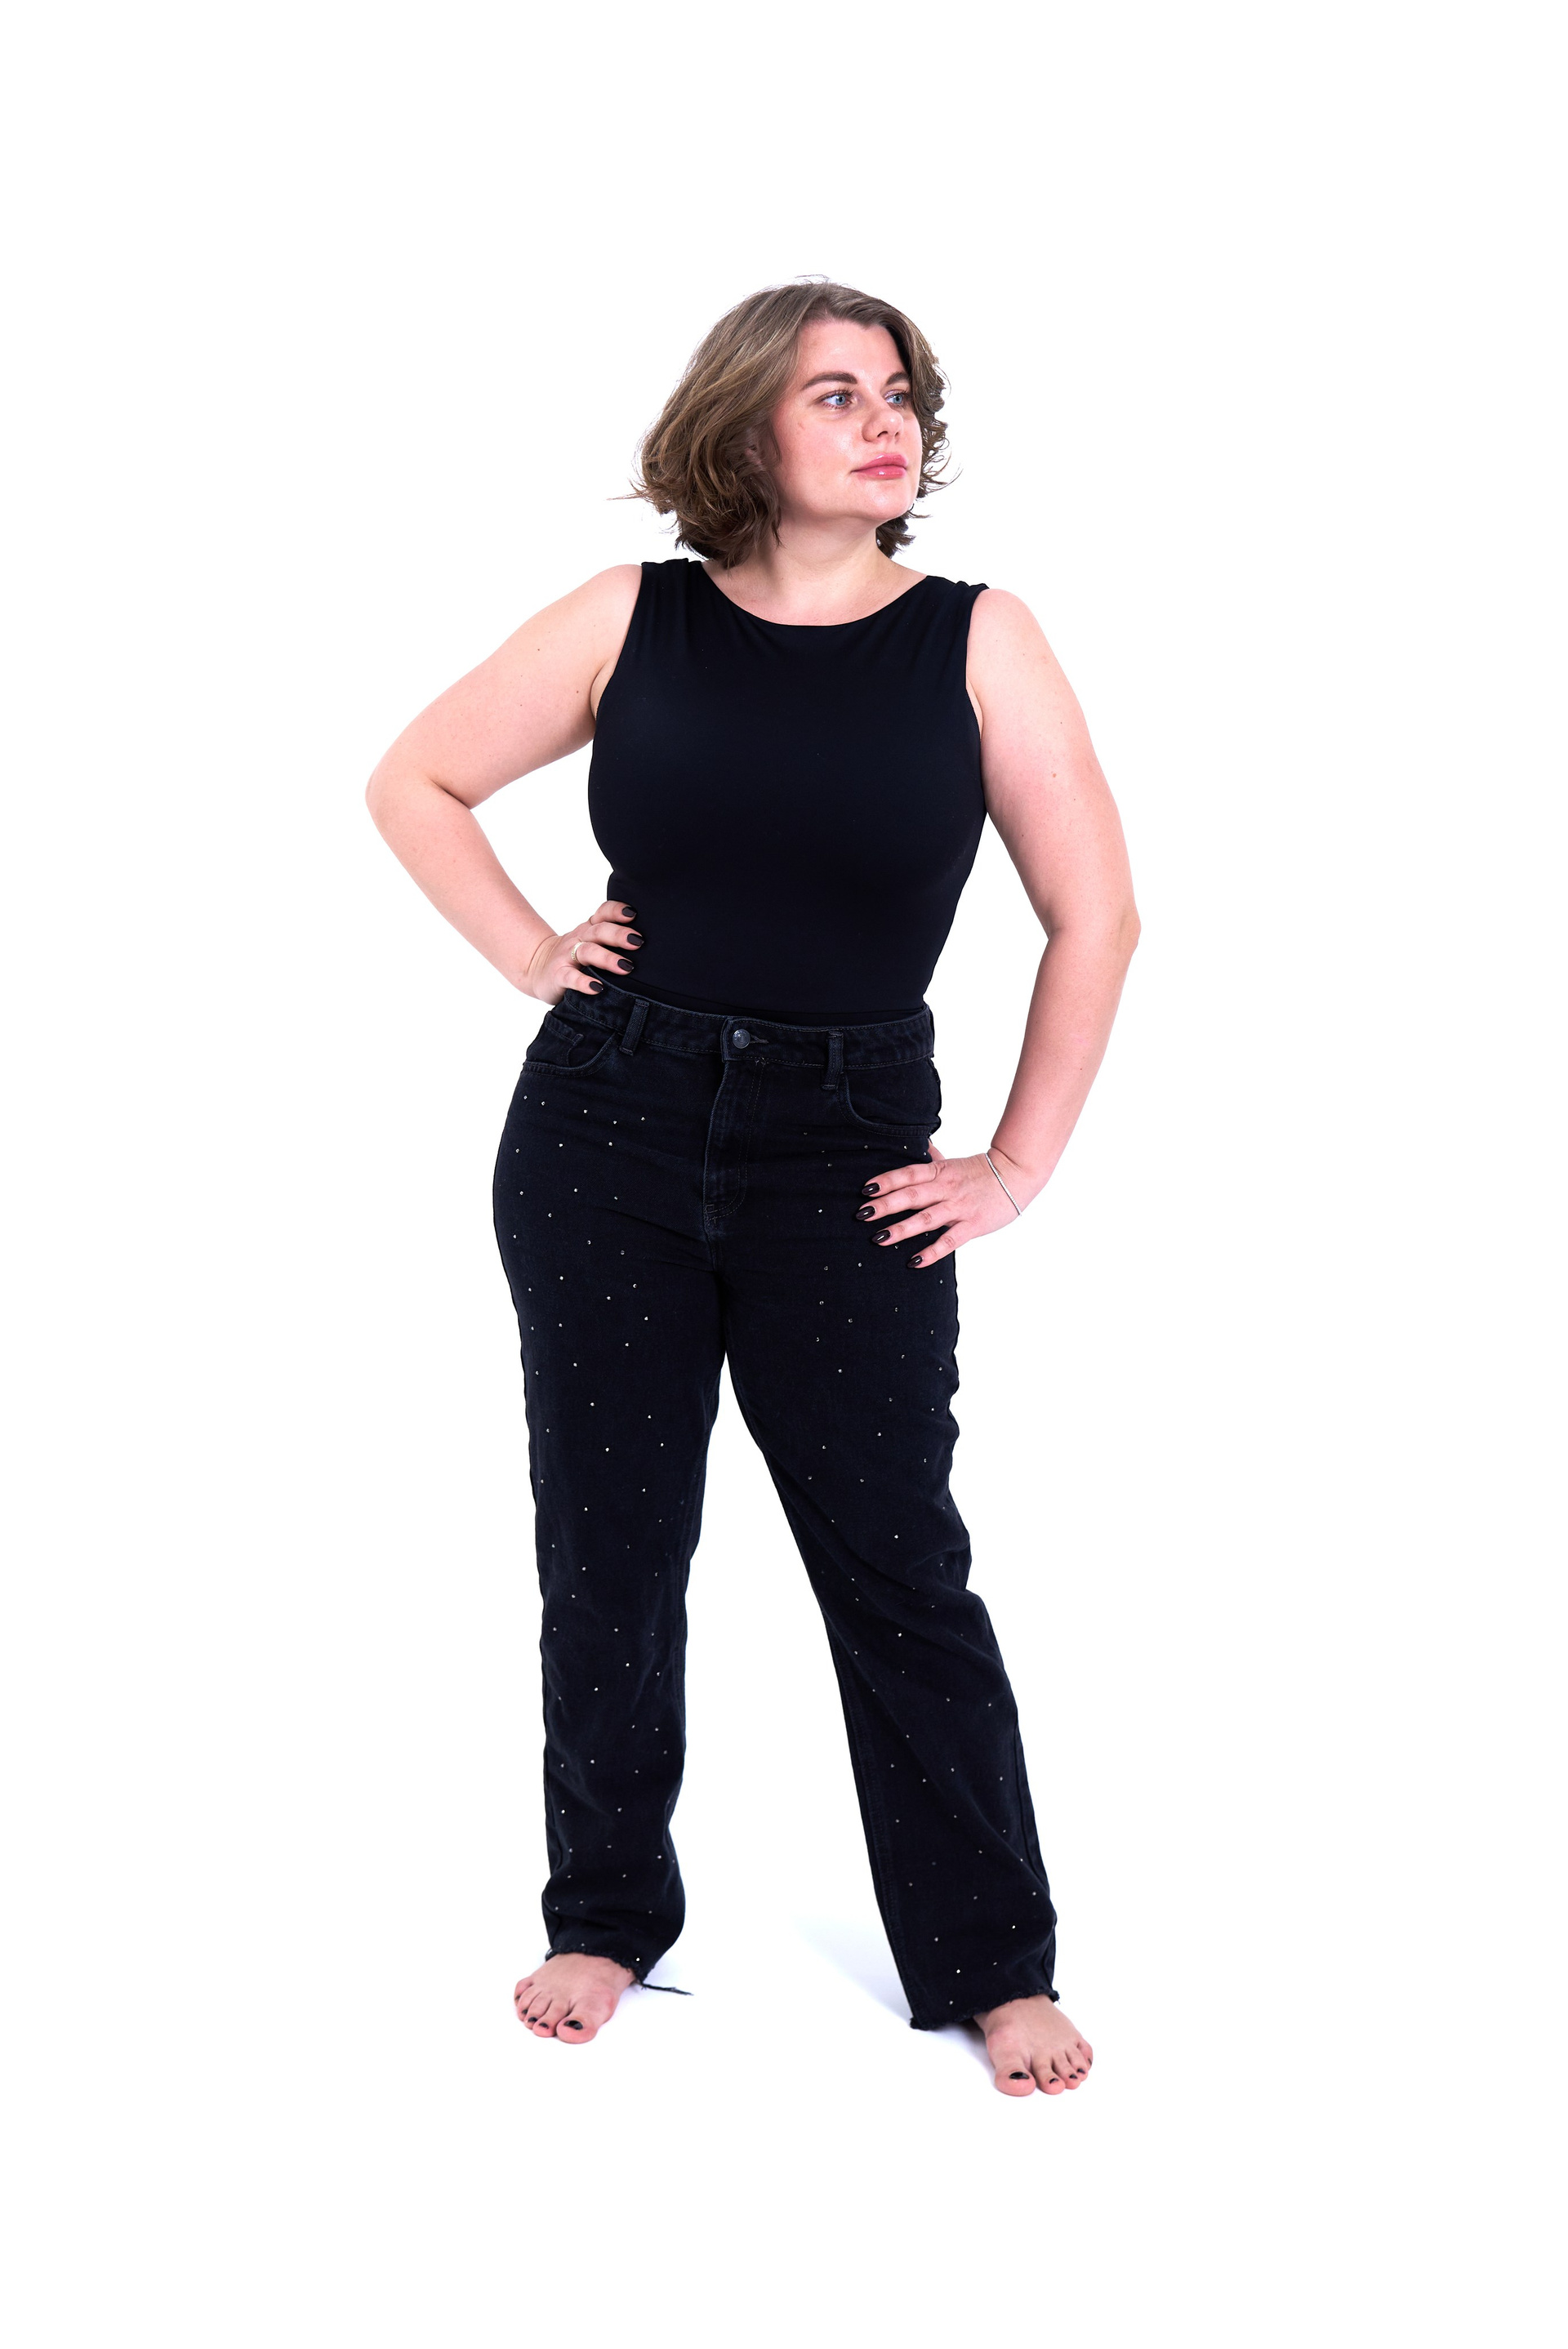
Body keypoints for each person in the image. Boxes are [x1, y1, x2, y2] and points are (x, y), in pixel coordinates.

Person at [366, 279, 1138, 2097]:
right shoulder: (629, 617)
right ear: (746, 426)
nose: (887, 424)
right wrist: (532, 952)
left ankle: (991, 1961)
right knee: (611, 1545)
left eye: (902, 396)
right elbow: (415, 779)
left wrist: (1017, 1164)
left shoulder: (979, 638)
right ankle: (603, 1915)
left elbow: (1096, 912)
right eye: (838, 395)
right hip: (607, 1131)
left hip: (849, 1151)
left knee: (898, 1560)